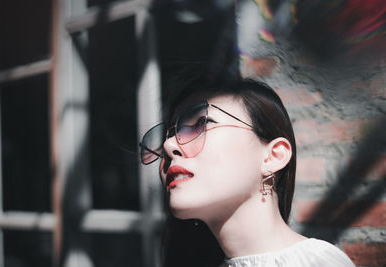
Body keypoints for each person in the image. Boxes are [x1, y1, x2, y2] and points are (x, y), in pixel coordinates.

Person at [140, 77, 355, 267]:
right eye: (169, 134)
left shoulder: (317, 263)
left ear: (273, 157)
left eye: (201, 123)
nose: (169, 145)